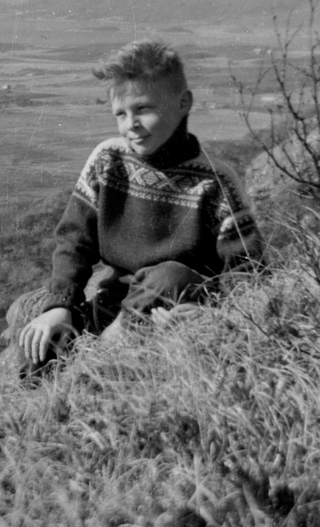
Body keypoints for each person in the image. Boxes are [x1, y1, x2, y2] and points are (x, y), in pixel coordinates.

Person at [15, 39, 264, 378]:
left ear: (183, 103)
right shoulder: (108, 159)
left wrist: (207, 314)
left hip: (177, 305)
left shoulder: (216, 182)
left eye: (143, 109)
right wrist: (60, 306)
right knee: (44, 347)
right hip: (116, 304)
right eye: (120, 113)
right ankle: (41, 402)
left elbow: (248, 272)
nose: (130, 124)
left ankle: (94, 368)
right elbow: (74, 241)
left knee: (168, 276)